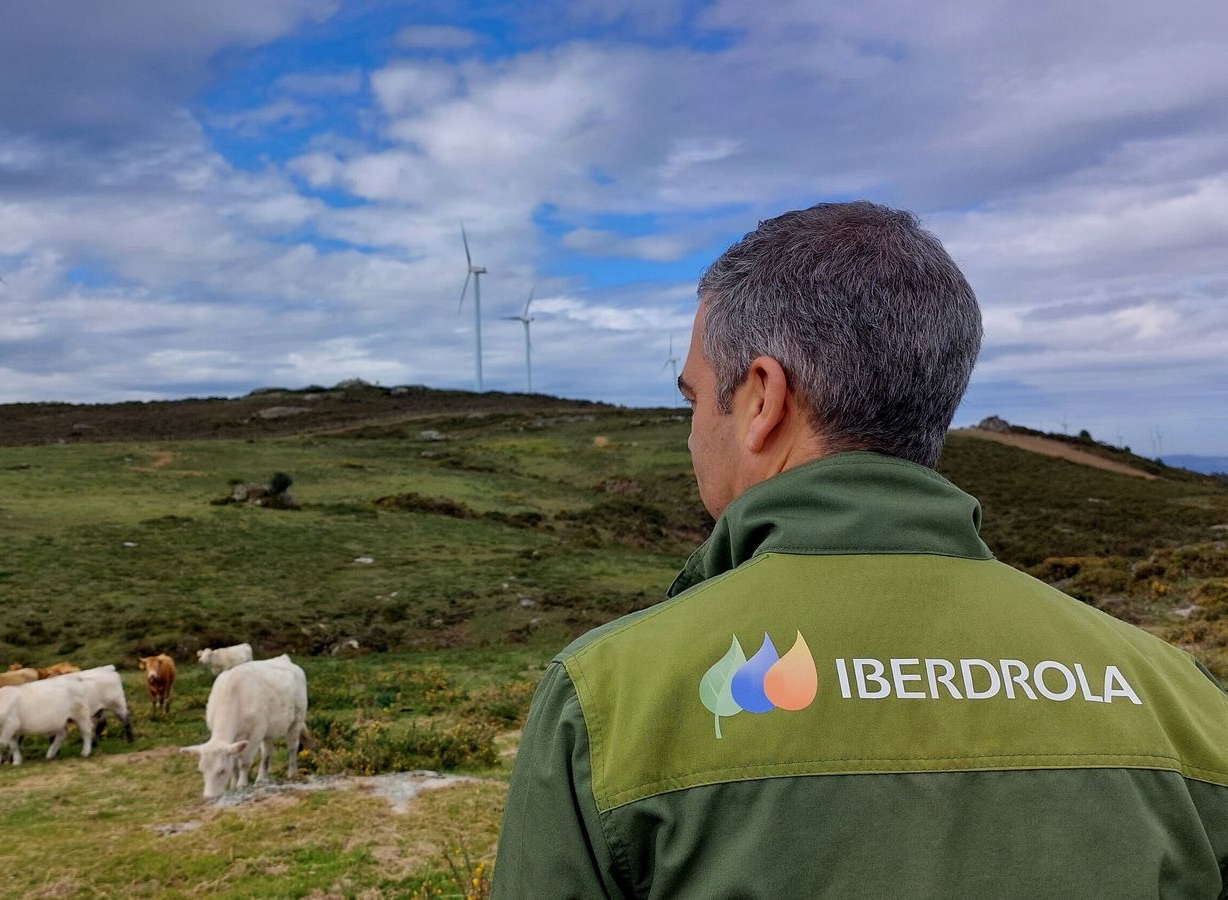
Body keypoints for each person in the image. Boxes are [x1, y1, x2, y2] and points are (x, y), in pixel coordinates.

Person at [492, 201, 1228, 899]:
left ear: (762, 398)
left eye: (693, 398)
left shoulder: (606, 700)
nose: (691, 433)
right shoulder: (1181, 700)